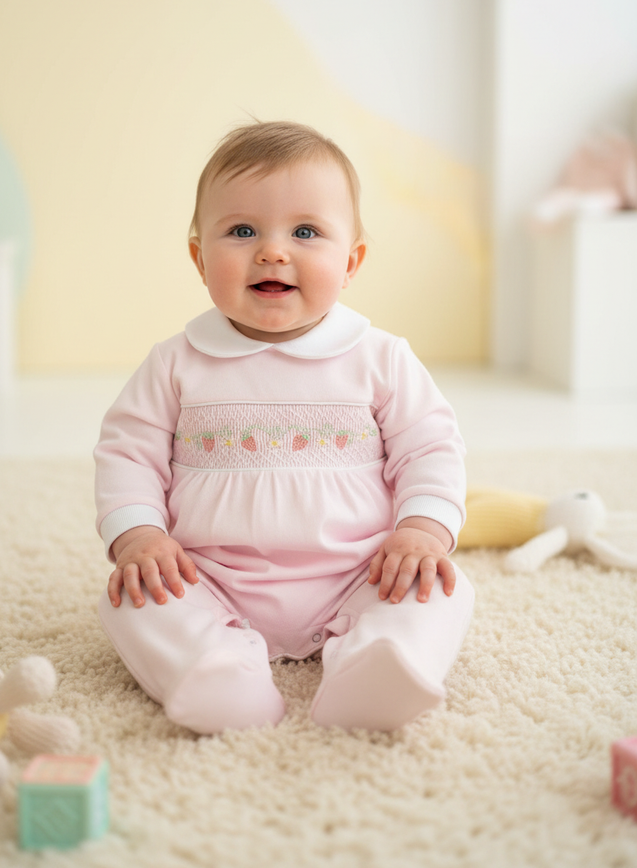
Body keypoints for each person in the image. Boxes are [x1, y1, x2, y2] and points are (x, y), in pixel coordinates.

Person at [94, 121, 474, 734]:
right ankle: (212, 672)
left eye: (305, 232)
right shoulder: (177, 361)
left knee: (442, 589)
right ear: (199, 258)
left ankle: (382, 664)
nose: (273, 251)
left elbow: (430, 447)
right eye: (242, 231)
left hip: (363, 572)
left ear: (350, 263)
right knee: (129, 599)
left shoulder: (380, 357)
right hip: (207, 576)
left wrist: (422, 533)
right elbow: (127, 454)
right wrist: (138, 539)